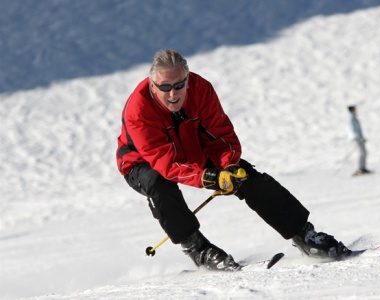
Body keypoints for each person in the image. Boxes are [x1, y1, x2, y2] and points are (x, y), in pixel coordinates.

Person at [116, 49, 352, 271]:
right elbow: (164, 161)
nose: (173, 93)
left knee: (245, 176)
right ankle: (198, 249)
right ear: (152, 85)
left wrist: (228, 166)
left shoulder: (201, 89)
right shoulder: (139, 109)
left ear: (188, 79)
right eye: (165, 87)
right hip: (142, 162)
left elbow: (220, 134)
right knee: (158, 184)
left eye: (179, 85)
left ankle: (303, 235)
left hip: (193, 150)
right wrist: (208, 177)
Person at [347, 105, 371, 175]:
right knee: (362, 152)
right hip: (357, 138)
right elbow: (352, 128)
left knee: (364, 152)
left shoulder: (353, 117)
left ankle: (363, 167)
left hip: (359, 137)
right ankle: (361, 168)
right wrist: (358, 137)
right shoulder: (351, 118)